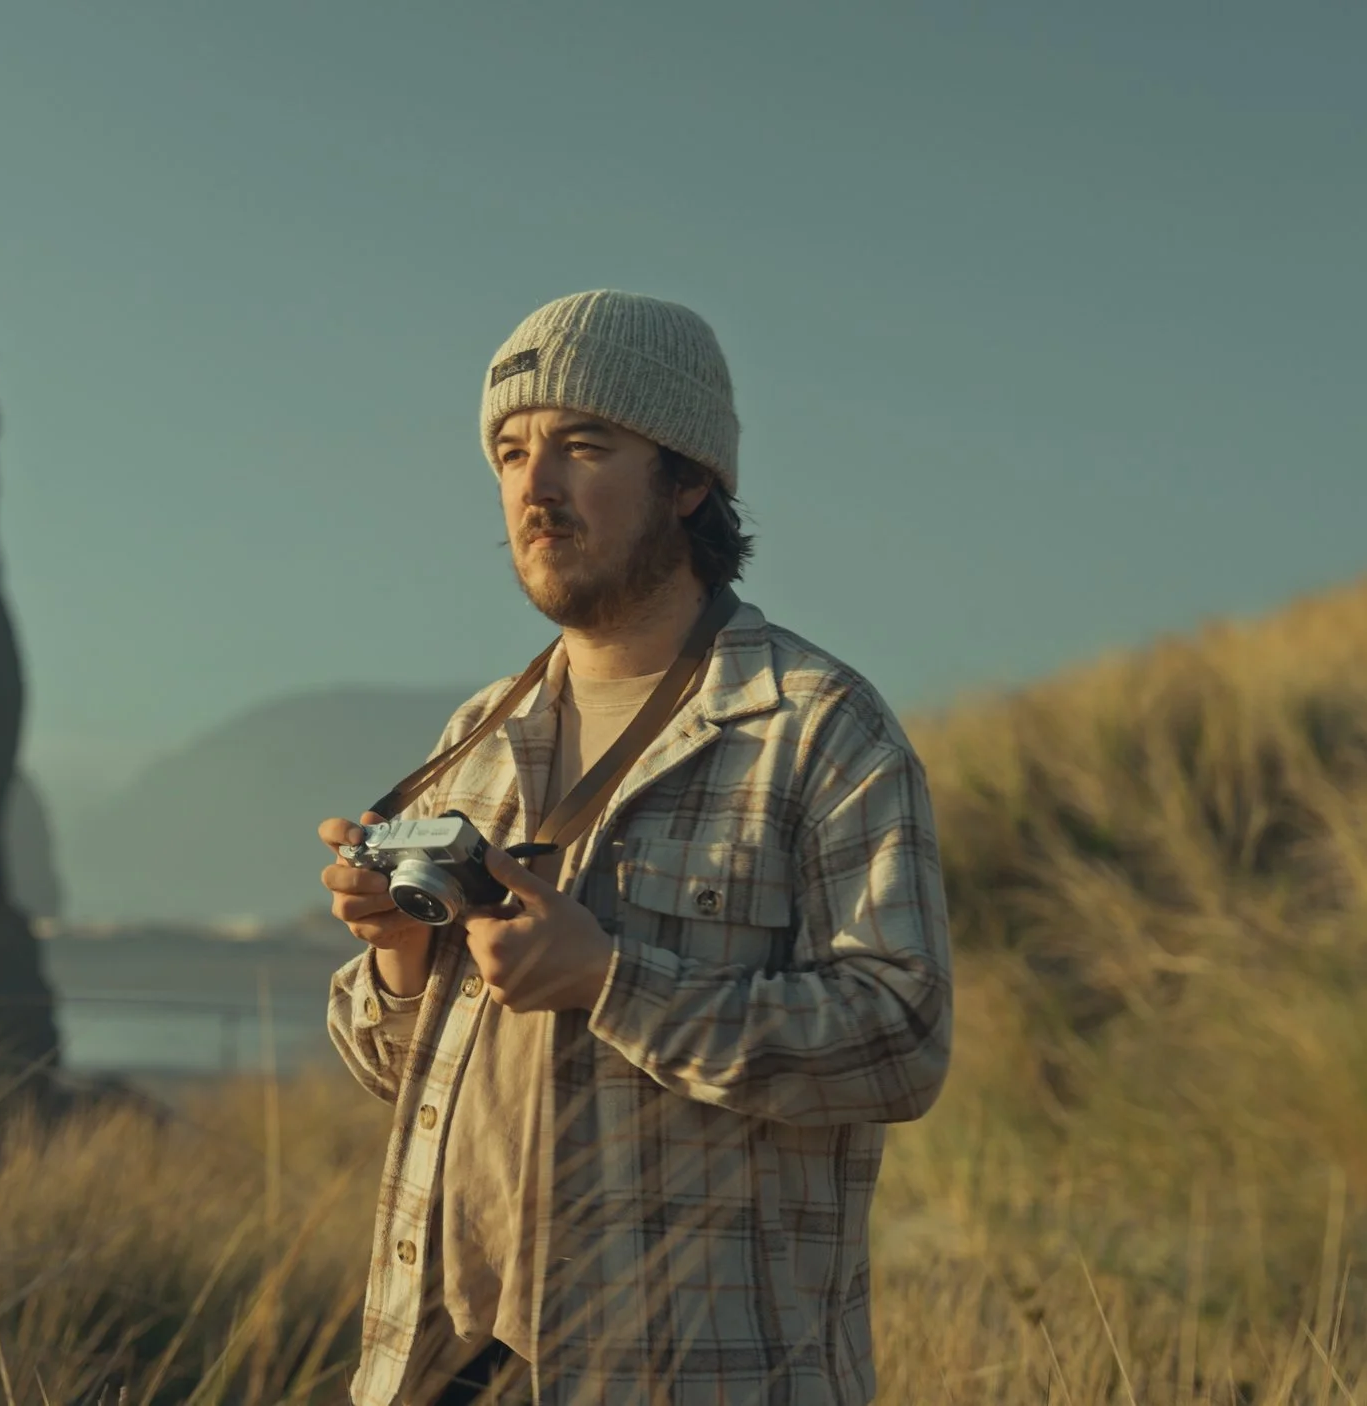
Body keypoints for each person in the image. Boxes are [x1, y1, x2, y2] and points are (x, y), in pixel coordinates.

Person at [320, 290, 953, 1405]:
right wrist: (393, 959)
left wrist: (612, 979)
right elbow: (391, 1067)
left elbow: (899, 1035)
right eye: (511, 451)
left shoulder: (815, 727)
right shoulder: (474, 738)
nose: (534, 484)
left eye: (584, 444)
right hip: (445, 1367)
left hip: (695, 1376)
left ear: (689, 477)